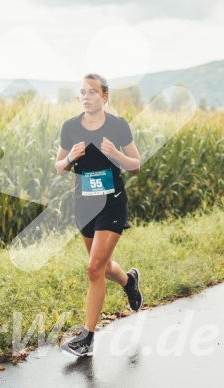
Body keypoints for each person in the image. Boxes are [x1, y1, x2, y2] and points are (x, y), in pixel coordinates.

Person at [56, 73, 143, 357]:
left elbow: (136, 165)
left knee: (93, 268)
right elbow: (60, 166)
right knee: (102, 267)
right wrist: (70, 158)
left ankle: (87, 338)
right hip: (84, 205)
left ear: (105, 96)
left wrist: (116, 155)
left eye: (92, 92)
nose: (85, 96)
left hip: (112, 203)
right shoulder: (70, 127)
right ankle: (130, 282)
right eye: (82, 92)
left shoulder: (117, 126)